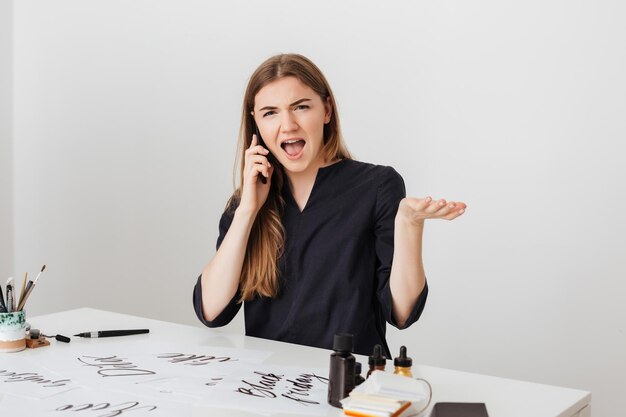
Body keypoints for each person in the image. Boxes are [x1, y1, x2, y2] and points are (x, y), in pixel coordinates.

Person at [193, 53, 466, 357]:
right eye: (270, 112)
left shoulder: (377, 186)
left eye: (301, 107)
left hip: (352, 387)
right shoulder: (248, 203)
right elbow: (211, 311)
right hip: (269, 388)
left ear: (326, 110)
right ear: (255, 121)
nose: (287, 125)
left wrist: (409, 225)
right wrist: (246, 211)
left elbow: (402, 313)